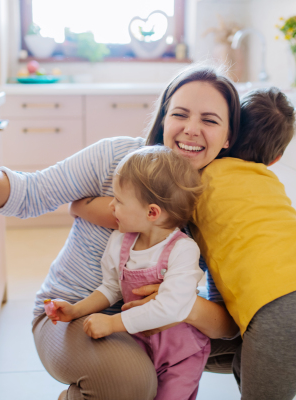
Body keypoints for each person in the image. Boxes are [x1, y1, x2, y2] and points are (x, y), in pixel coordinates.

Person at [0, 63, 242, 400]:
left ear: (229, 137)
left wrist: (178, 305)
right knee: (131, 382)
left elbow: (229, 322)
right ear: (163, 117)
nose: (191, 129)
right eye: (180, 114)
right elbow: (29, 194)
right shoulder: (117, 158)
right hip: (73, 310)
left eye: (209, 120)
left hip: (160, 324)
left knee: (251, 344)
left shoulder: (223, 202)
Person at [74, 88, 296, 400]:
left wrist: (81, 206)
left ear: (227, 138)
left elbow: (142, 211)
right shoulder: (268, 181)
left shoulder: (199, 181)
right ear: (276, 159)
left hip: (285, 311)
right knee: (233, 358)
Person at [45, 146, 210, 400]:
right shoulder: (120, 241)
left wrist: (111, 323)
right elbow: (111, 288)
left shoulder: (183, 250)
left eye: (119, 200)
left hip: (180, 354)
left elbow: (171, 307)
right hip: (139, 341)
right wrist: (77, 310)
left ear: (152, 212)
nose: (111, 205)